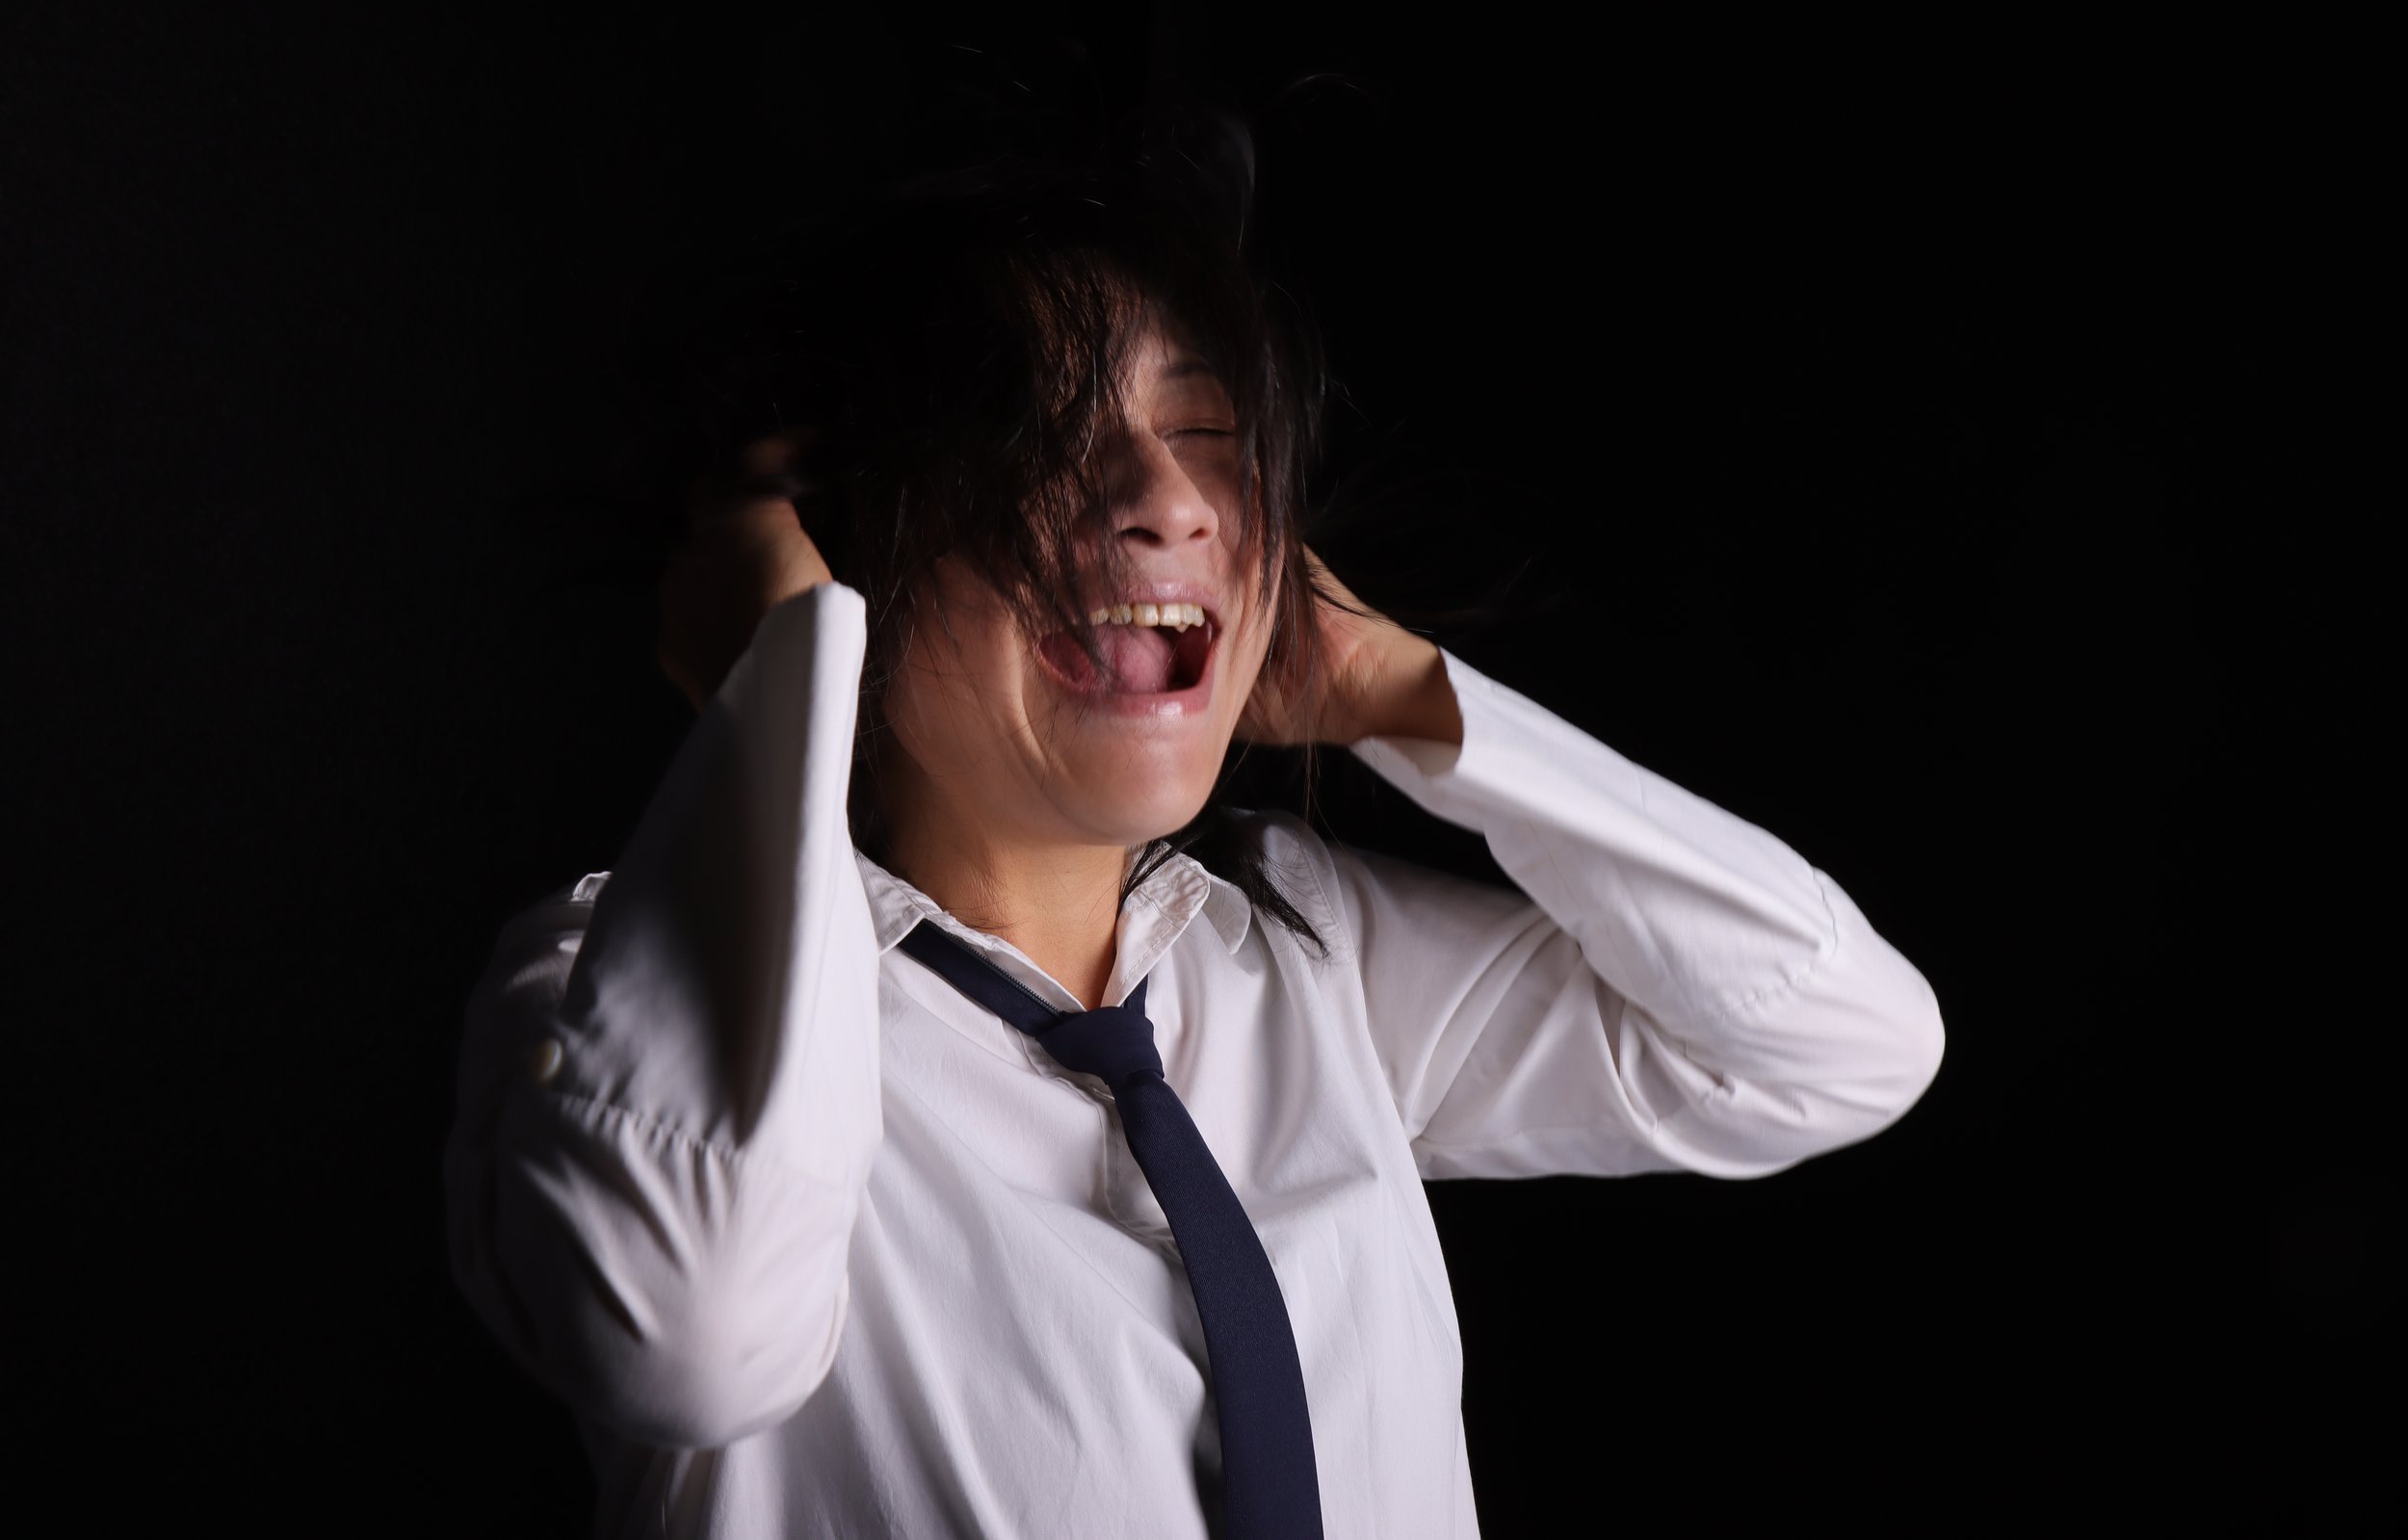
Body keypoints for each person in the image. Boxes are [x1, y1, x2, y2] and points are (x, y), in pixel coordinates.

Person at [444, 131, 1946, 1539]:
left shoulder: (1304, 954)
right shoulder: (601, 987)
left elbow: (1835, 1045)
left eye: (1209, 433)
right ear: (844, 548)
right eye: (1037, 434)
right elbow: (685, 1333)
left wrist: (1394, 690)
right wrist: (778, 688)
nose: (1168, 501)